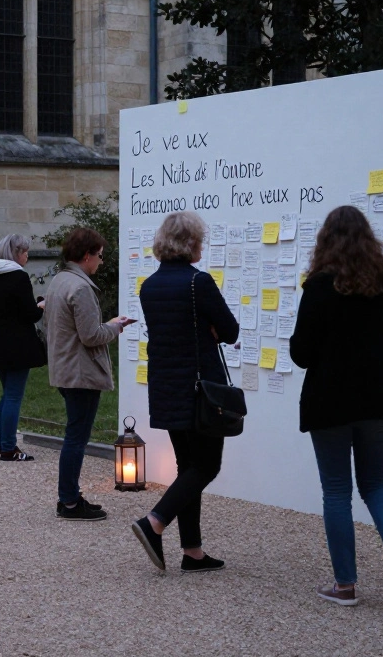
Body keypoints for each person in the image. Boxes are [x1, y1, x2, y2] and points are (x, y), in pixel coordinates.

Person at [290, 204, 383, 611]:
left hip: (329, 402)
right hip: (380, 401)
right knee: (376, 485)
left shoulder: (318, 285)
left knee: (336, 491)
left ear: (326, 241)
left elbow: (301, 353)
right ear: (369, 239)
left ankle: (346, 586)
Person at [129, 212, 239, 573]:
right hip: (199, 389)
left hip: (167, 385)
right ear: (191, 243)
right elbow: (230, 330)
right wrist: (210, 328)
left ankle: (192, 551)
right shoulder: (198, 283)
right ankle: (155, 522)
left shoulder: (149, 286)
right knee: (207, 465)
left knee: (188, 465)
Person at [45, 227, 132, 520]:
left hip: (66, 367)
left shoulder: (60, 280)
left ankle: (69, 496)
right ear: (86, 256)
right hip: (80, 371)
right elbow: (91, 336)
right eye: (100, 256)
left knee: (75, 434)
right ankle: (69, 502)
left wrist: (107, 323)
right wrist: (117, 326)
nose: (102, 262)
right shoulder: (80, 287)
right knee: (76, 438)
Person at [0, 233, 45, 462]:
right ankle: (7, 447)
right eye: (25, 251)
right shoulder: (18, 277)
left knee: (7, 394)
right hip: (17, 345)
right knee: (14, 396)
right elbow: (30, 314)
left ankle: (4, 442)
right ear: (16, 253)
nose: (27, 255)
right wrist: (42, 305)